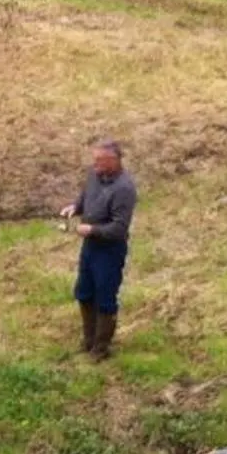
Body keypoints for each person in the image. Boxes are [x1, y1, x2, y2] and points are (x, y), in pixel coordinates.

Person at [61, 139, 137, 359]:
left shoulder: (124, 189)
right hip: (90, 247)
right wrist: (75, 207)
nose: (95, 164)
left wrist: (92, 229)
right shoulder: (95, 176)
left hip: (110, 250)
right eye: (94, 159)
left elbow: (119, 227)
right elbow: (85, 198)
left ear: (113, 160)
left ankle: (101, 348)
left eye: (99, 160)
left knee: (105, 297)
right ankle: (88, 340)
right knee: (84, 292)